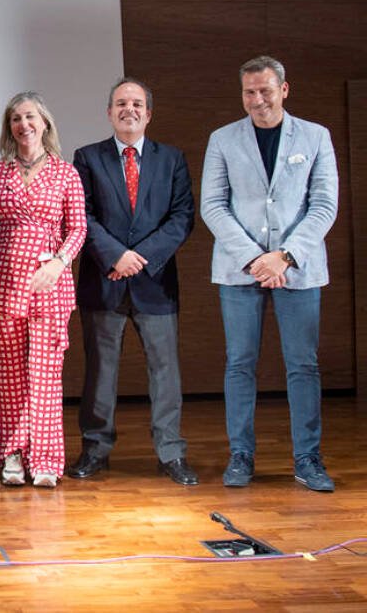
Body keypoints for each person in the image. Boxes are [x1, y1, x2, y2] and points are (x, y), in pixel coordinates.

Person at [200, 55, 339, 492]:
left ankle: (308, 459)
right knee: (240, 364)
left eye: (265, 90)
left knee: (303, 365)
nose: (257, 99)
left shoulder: (316, 136)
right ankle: (240, 456)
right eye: (249, 92)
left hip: (298, 270)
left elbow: (323, 205)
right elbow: (213, 205)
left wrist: (285, 256)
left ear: (284, 89)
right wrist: (256, 259)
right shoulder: (222, 139)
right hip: (240, 272)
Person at [68, 78, 197, 485]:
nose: (129, 109)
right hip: (103, 280)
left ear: (149, 113)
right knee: (100, 372)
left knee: (165, 372)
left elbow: (181, 218)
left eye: (137, 103)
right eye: (121, 103)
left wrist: (139, 260)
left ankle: (171, 452)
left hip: (155, 283)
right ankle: (95, 449)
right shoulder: (87, 158)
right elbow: (81, 216)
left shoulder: (171, 159)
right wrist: (116, 256)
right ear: (109, 112)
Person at [0, 91, 87, 489]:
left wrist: (59, 263)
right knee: (9, 375)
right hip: (3, 283)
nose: (23, 125)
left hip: (49, 284)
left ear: (44, 123)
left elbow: (78, 228)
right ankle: (11, 454)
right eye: (15, 119)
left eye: (30, 117)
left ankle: (44, 458)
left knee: (44, 375)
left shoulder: (66, 173)